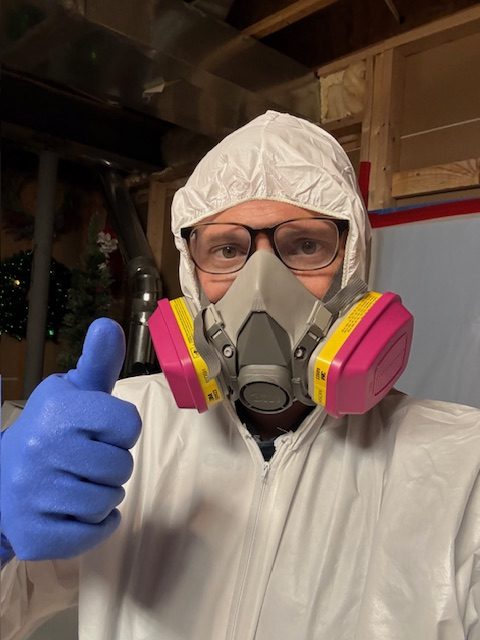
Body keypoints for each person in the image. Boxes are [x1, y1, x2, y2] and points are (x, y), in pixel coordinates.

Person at [1, 110, 479, 640]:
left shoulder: (459, 468)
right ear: (191, 274)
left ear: (354, 264)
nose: (260, 285)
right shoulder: (119, 430)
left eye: (306, 246)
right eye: (227, 250)